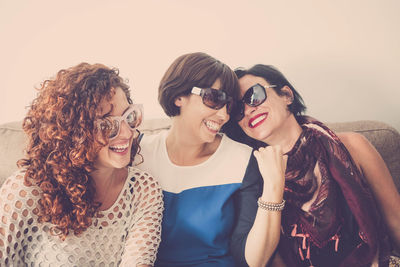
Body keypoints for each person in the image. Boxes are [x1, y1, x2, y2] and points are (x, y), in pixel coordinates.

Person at [223, 64, 400, 266]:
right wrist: (272, 185)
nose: (247, 110)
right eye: (237, 109)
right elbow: (269, 259)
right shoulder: (253, 177)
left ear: (286, 95)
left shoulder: (353, 146)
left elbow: (396, 223)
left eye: (254, 95)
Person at [0, 63, 164, 266]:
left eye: (128, 117)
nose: (127, 133)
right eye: (106, 124)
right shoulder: (26, 190)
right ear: (73, 133)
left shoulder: (142, 190)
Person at [137, 52, 287, 267]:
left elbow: (253, 260)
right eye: (214, 99)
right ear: (179, 96)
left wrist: (273, 187)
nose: (224, 115)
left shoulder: (242, 159)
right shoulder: (138, 154)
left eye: (230, 106)